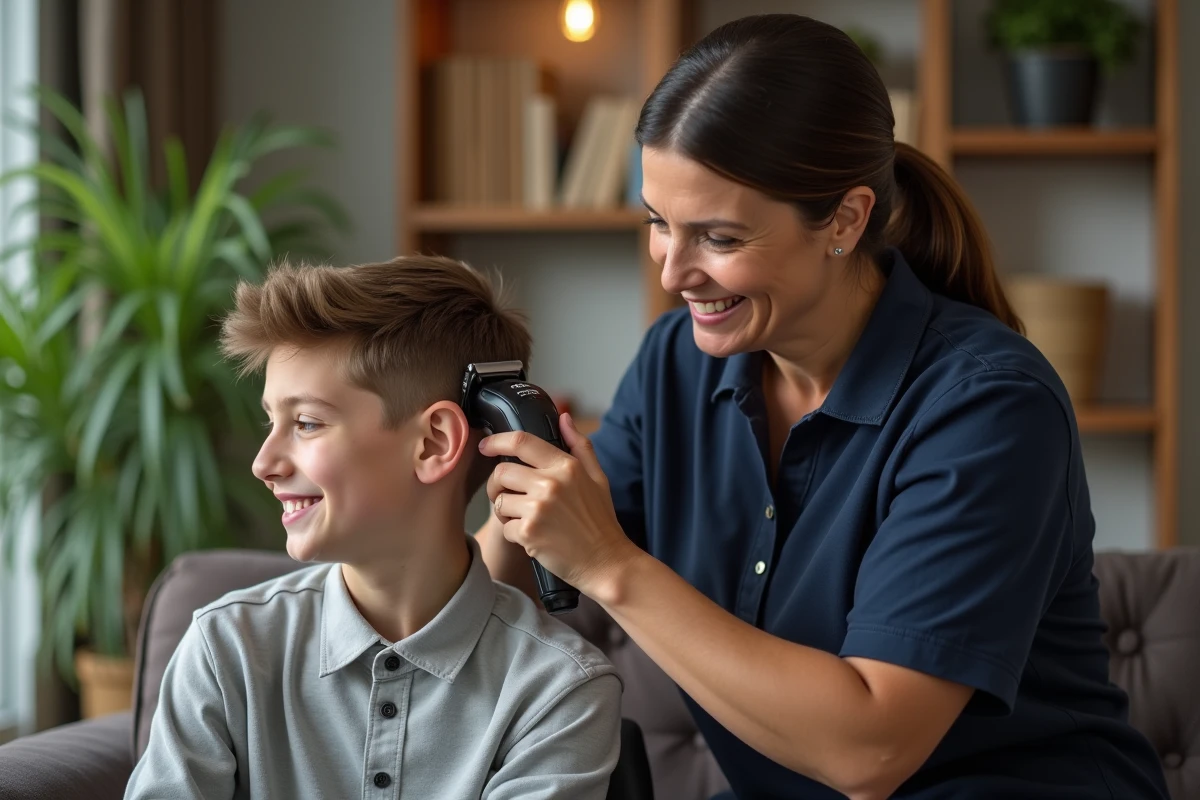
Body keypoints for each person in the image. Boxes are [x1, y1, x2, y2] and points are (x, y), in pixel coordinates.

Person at [476, 14, 1171, 800]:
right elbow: (523, 568)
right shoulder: (677, 363)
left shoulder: (990, 405)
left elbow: (870, 750)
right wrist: (511, 500)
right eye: (658, 224)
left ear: (844, 219)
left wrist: (609, 564)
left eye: (719, 238)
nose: (673, 273)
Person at [124, 255, 623, 800]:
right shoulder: (226, 652)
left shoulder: (559, 692)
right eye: (272, 421)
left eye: (306, 423)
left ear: (433, 443)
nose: (263, 463)